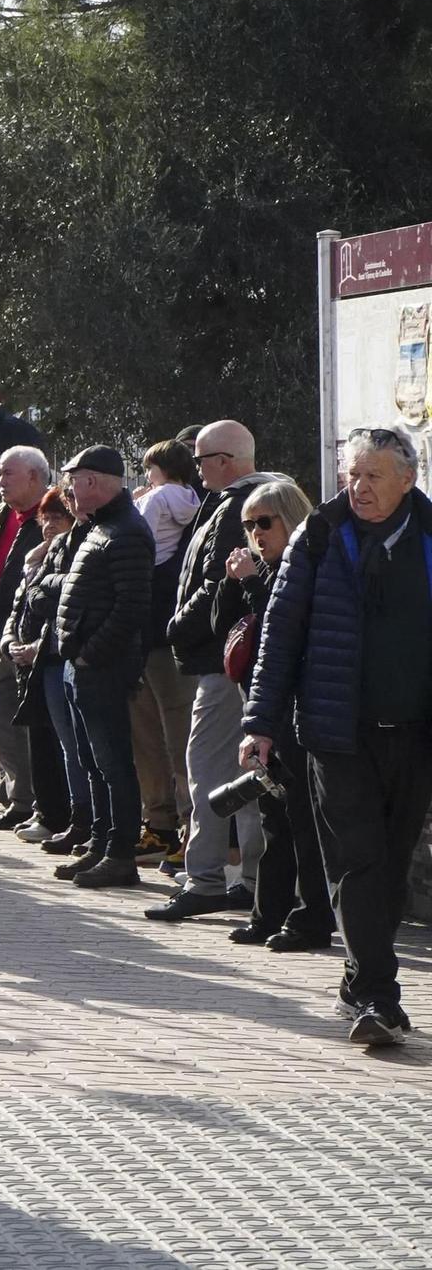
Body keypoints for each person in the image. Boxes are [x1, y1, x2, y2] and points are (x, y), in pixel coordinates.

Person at [242, 427, 432, 1046]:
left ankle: (359, 978)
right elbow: (280, 635)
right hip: (335, 732)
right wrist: (261, 725)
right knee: (358, 860)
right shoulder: (318, 537)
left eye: (373, 476)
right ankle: (379, 997)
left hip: (414, 732)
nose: (359, 487)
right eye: (352, 474)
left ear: (408, 479)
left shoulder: (430, 536)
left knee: (393, 863)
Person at [159, 420, 276, 917]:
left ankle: (206, 878)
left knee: (208, 768)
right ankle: (250, 880)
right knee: (245, 775)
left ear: (225, 462)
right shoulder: (259, 499)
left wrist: (177, 626)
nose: (196, 469)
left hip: (227, 658)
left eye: (201, 460)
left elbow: (218, 584)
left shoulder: (238, 507)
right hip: (239, 658)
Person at [213, 480, 331, 951]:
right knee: (273, 817)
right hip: (265, 712)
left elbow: (286, 635)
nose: (256, 534)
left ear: (290, 517)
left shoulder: (307, 569)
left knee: (303, 822)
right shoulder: (260, 570)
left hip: (302, 713)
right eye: (248, 525)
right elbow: (223, 630)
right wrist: (232, 581)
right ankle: (269, 914)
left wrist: (252, 584)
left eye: (265, 522)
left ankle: (311, 919)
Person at [51, 446, 154, 889]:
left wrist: (92, 652)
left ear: (92, 481)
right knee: (93, 762)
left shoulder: (126, 530)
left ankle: (119, 853)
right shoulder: (100, 527)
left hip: (102, 667)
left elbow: (131, 606)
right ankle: (99, 842)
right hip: (82, 665)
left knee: (112, 763)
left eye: (73, 479)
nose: (69, 489)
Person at [130, 440, 200, 863]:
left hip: (162, 631)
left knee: (174, 735)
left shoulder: (156, 500)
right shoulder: (194, 501)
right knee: (154, 735)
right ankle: (164, 824)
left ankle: (185, 827)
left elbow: (142, 541)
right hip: (154, 629)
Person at [0, 448, 50, 829]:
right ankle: (19, 798)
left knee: (33, 727)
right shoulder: (0, 517)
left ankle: (40, 803)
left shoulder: (48, 519)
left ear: (35, 477)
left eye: (8, 474)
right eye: (0, 474)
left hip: (31, 642)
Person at [4, 487, 84, 849]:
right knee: (40, 739)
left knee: (67, 743)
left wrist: (40, 647)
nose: (50, 525)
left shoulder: (71, 553)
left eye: (58, 517)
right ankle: (47, 809)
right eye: (46, 518)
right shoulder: (36, 555)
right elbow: (21, 604)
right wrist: (9, 641)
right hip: (30, 661)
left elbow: (56, 605)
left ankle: (73, 816)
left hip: (53, 657)